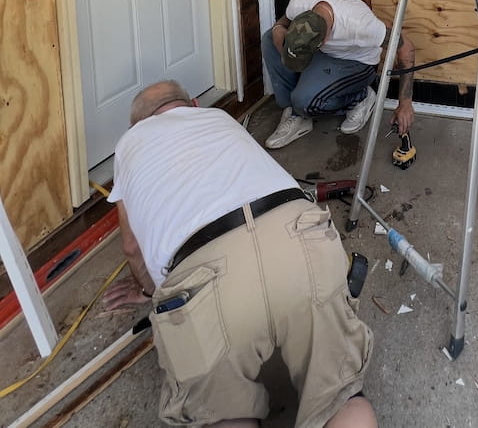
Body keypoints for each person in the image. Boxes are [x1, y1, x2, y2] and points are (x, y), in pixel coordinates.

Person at [103, 80, 377, 428]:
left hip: (203, 273)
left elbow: (131, 247)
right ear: (194, 105)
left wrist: (146, 289)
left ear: (135, 126)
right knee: (342, 398)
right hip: (299, 239)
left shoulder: (128, 146)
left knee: (223, 414)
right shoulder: (218, 117)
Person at [262, 0, 415, 149]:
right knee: (268, 39)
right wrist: (278, 29)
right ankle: (295, 114)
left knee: (305, 101)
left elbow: (406, 48)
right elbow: (284, 21)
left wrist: (405, 103)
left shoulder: (359, 25)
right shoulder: (299, 3)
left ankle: (360, 98)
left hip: (357, 62)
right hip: (326, 54)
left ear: (325, 39)